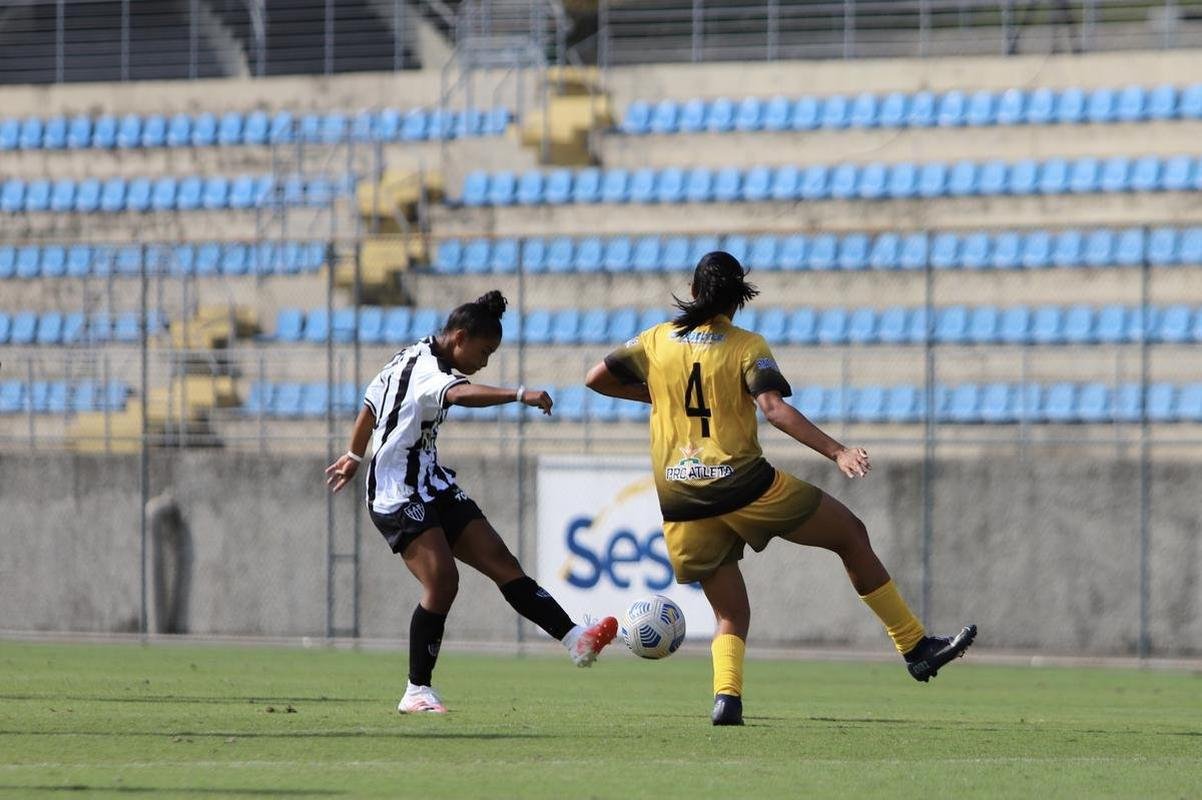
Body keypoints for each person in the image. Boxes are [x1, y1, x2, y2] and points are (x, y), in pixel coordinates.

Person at [585, 252, 976, 726]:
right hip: (744, 485)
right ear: (737, 301)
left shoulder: (656, 340)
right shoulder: (746, 345)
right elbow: (773, 408)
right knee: (850, 534)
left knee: (731, 611)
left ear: (692, 292)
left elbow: (596, 379)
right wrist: (837, 451)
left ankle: (726, 699)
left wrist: (652, 394)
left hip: (681, 499)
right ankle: (914, 645)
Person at [326, 290, 618, 714]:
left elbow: (370, 406)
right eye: (484, 352)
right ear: (460, 338)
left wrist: (354, 455)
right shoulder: (429, 370)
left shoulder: (411, 354)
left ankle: (576, 639)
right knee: (443, 581)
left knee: (502, 561)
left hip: (432, 483)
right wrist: (521, 394)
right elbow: (459, 396)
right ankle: (416, 690)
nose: (484, 362)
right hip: (397, 492)